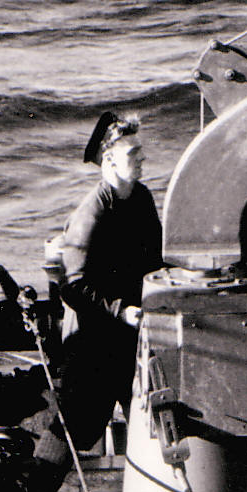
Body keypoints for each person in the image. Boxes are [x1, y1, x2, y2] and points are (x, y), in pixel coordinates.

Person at [54, 110, 163, 450]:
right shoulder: (92, 212)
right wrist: (120, 312)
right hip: (93, 337)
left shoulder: (141, 199)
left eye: (140, 150)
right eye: (133, 154)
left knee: (145, 412)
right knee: (78, 429)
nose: (142, 157)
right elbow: (72, 285)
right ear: (111, 162)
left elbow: (155, 259)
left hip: (131, 332)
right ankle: (35, 487)